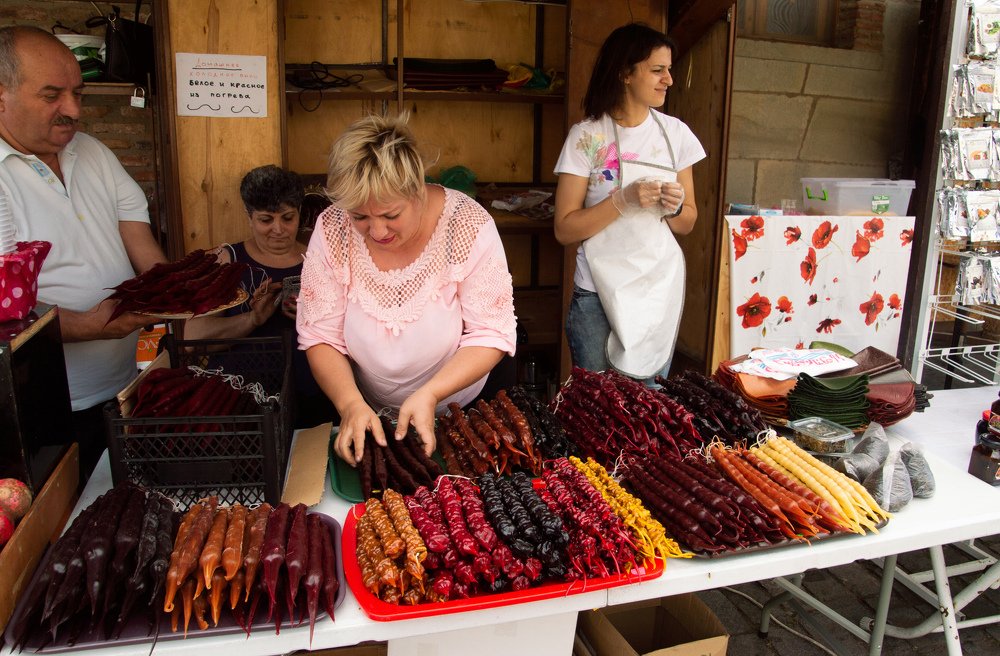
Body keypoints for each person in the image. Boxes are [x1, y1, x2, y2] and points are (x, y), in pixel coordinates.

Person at [297, 113, 517, 466]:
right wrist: (351, 403)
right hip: (366, 408)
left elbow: (491, 332)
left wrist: (431, 393)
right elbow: (320, 334)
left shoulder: (467, 225)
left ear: (417, 189)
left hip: (466, 408)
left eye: (390, 214)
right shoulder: (333, 228)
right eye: (360, 217)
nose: (377, 231)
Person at [0, 26, 167, 477]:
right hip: (44, 412)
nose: (72, 110)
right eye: (52, 95)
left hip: (122, 390)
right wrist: (92, 325)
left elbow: (141, 244)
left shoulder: (93, 152)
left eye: (78, 92)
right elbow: (6, 314)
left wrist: (177, 297)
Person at [553, 23, 706, 382]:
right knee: (596, 410)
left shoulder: (676, 135)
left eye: (669, 69)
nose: (668, 79)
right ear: (625, 72)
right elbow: (564, 228)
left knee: (648, 411)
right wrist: (622, 200)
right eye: (657, 70)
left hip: (654, 293)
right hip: (596, 295)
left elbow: (688, 222)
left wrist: (675, 207)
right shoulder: (588, 136)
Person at [184, 164, 335, 428]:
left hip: (312, 401)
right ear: (249, 216)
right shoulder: (226, 261)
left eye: (288, 218)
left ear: (299, 213)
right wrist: (252, 319)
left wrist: (312, 318)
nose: (278, 229)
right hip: (241, 404)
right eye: (266, 219)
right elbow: (192, 341)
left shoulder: (320, 259)